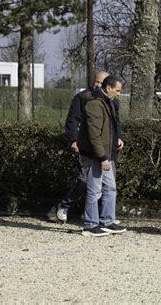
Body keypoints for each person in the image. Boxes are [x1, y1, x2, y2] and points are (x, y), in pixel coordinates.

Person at [56, 71, 124, 222]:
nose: (99, 85)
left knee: (107, 184)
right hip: (90, 148)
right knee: (85, 181)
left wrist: (118, 137)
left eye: (102, 82)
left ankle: (104, 217)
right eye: (98, 82)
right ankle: (66, 205)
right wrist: (74, 140)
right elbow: (74, 121)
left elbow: (115, 122)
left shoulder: (112, 101)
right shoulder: (83, 99)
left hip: (105, 148)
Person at [78, 75, 127, 236]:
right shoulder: (94, 104)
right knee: (95, 189)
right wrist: (102, 158)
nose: (119, 93)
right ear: (108, 88)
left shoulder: (109, 102)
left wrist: (116, 139)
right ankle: (90, 225)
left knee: (111, 188)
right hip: (96, 155)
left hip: (106, 153)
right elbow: (94, 134)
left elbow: (110, 128)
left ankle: (107, 221)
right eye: (117, 90)